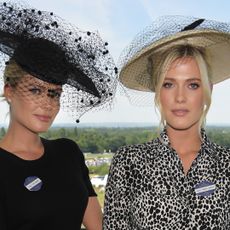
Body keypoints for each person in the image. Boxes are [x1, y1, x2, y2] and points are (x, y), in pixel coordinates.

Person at [103, 15, 230, 229]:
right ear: (157, 90)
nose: (180, 97)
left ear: (208, 89)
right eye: (169, 84)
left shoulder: (227, 165)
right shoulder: (129, 163)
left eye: (192, 85)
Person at [0, 1, 117, 230]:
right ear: (9, 91)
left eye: (54, 94)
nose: (47, 104)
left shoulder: (68, 153)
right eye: (35, 90)